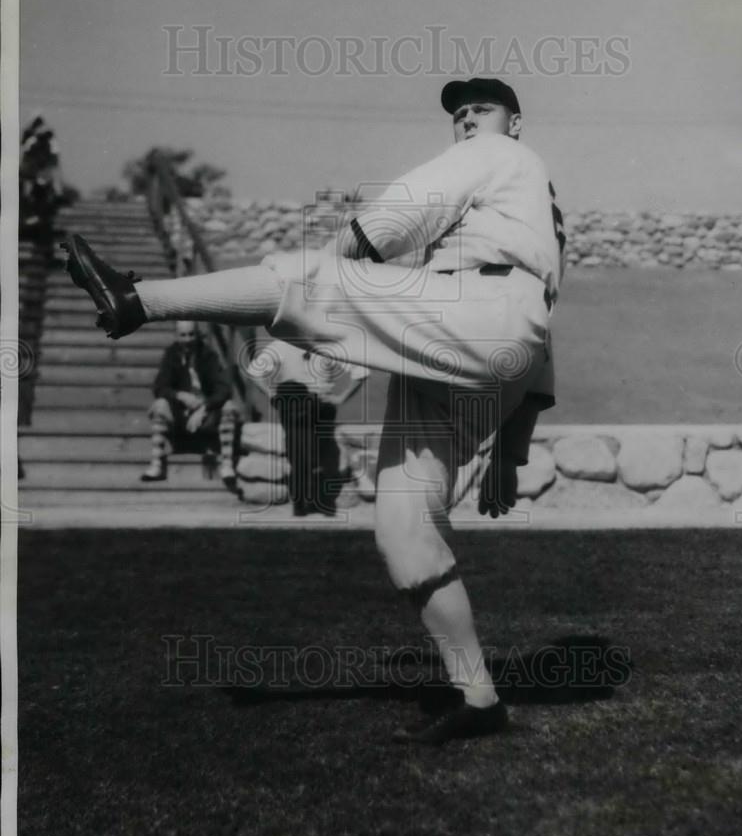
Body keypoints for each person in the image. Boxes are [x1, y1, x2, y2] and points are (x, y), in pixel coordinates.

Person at [62, 76, 565, 744]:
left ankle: (136, 300)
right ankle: (480, 698)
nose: (468, 119)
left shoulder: (500, 153)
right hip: (484, 338)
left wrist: (324, 265)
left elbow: (400, 213)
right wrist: (511, 453)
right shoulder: (532, 206)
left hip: (479, 310)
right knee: (404, 527)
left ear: (514, 122)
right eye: (460, 113)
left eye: (484, 109)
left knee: (305, 273)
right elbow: (536, 331)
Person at [247, 339, 369, 516]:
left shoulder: (329, 346)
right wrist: (270, 393)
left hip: (321, 407)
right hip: (294, 407)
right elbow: (254, 371)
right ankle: (302, 503)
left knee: (323, 454)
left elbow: (361, 371)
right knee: (298, 454)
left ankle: (322, 502)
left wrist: (341, 398)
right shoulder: (281, 345)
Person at [142, 320, 241, 488]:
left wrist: (205, 407)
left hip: (205, 416)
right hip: (179, 415)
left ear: (197, 335)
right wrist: (180, 395)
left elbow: (223, 388)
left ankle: (227, 465)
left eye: (191, 334)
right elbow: (160, 387)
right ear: (176, 336)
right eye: (183, 335)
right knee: (160, 405)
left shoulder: (208, 355)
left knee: (229, 407)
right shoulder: (172, 355)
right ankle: (156, 463)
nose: (187, 339)